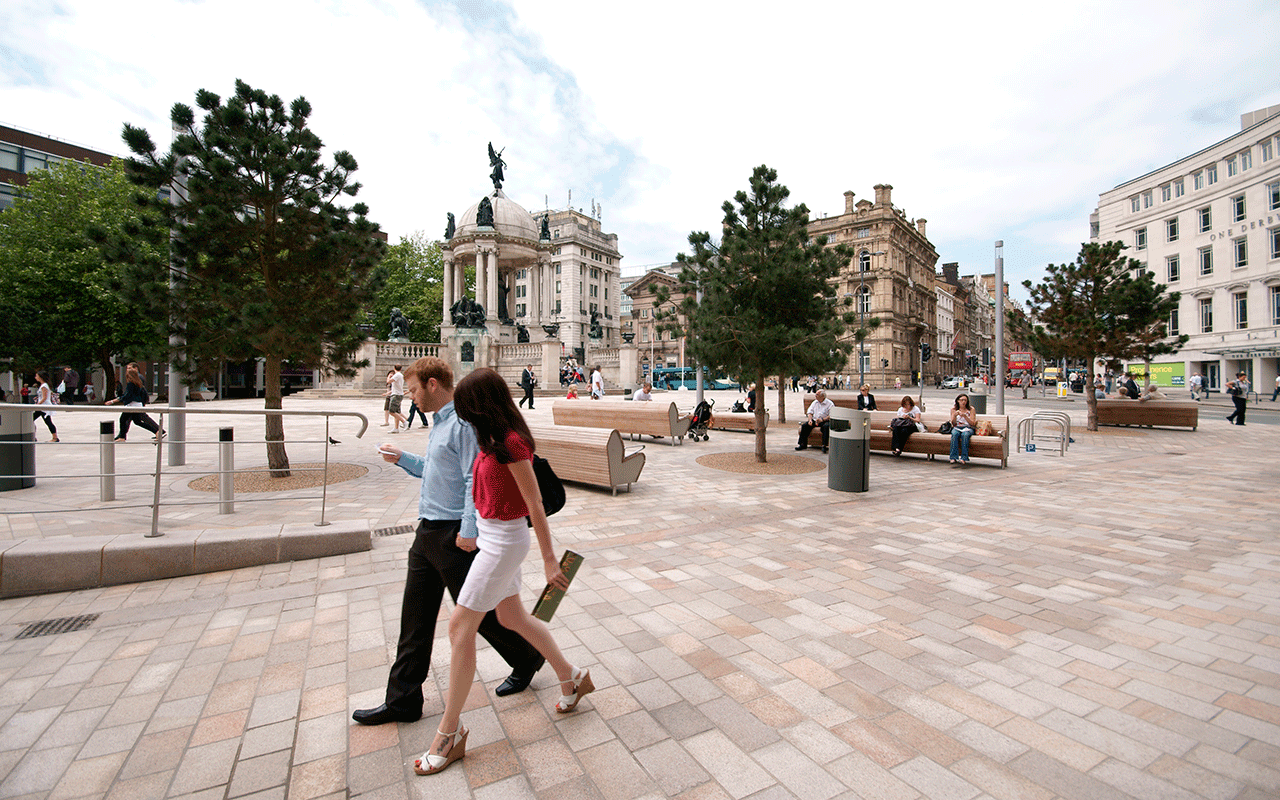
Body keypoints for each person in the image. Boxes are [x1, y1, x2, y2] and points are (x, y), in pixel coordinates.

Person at [417, 368, 593, 777]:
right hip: (492, 538)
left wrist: (550, 560)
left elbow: (534, 504)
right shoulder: (487, 436)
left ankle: (450, 732)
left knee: (460, 628)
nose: (461, 414)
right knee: (511, 617)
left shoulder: (511, 443)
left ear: (480, 404)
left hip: (505, 543)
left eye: (464, 406)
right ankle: (571, 677)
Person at [355, 357, 544, 730]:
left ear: (431, 384)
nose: (410, 398)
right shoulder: (439, 423)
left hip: (454, 535)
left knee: (481, 614)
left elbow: (472, 480)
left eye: (412, 390)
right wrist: (404, 459)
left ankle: (526, 658)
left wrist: (469, 531)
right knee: (415, 619)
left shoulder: (463, 424)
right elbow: (437, 469)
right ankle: (404, 699)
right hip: (427, 532)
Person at [105, 363, 162, 442]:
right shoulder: (138, 382)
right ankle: (156, 431)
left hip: (132, 405)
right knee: (137, 421)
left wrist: (112, 401)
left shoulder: (131, 384)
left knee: (123, 419)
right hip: (137, 404)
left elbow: (127, 395)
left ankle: (122, 437)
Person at [796, 389, 834, 453]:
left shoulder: (830, 404)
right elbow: (810, 412)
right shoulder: (815, 402)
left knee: (826, 427)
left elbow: (831, 415)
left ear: (822, 396)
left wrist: (823, 419)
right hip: (815, 419)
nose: (815, 396)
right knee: (805, 426)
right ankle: (802, 444)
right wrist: (810, 420)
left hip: (824, 420)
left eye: (817, 395)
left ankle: (824, 445)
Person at [948, 394, 977, 464]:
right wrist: (954, 416)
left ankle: (964, 457)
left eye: (965, 400)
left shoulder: (971, 409)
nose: (963, 402)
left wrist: (965, 416)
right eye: (962, 400)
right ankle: (953, 457)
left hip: (968, 427)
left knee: (965, 435)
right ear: (958, 401)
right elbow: (953, 423)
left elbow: (973, 423)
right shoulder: (954, 409)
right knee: (954, 434)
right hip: (957, 427)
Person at [32, 371, 59, 442]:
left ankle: (55, 438)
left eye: (36, 376)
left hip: (44, 407)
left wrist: (37, 404)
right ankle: (54, 437)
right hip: (42, 407)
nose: (35, 377)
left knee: (48, 422)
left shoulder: (44, 386)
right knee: (32, 420)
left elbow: (44, 397)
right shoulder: (44, 385)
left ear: (41, 377)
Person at [387, 365, 408, 432]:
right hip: (398, 394)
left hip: (396, 395)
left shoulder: (397, 375)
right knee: (397, 412)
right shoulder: (400, 375)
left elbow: (388, 381)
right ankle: (396, 428)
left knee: (391, 411)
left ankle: (404, 422)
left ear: (394, 368)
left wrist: (389, 376)